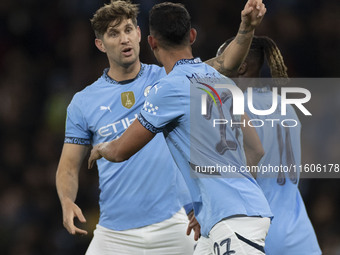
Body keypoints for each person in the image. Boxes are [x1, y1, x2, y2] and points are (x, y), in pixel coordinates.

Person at [56, 0, 267, 254]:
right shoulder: (83, 102)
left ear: (142, 36)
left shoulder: (168, 79)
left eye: (128, 29)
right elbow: (68, 166)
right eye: (114, 33)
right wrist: (67, 200)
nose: (124, 39)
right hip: (115, 232)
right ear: (100, 44)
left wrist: (246, 28)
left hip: (176, 222)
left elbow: (225, 63)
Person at [217, 36, 322, 254]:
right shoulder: (286, 106)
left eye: (221, 61)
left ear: (241, 66)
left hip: (256, 236)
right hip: (299, 235)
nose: (215, 69)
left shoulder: (231, 110)